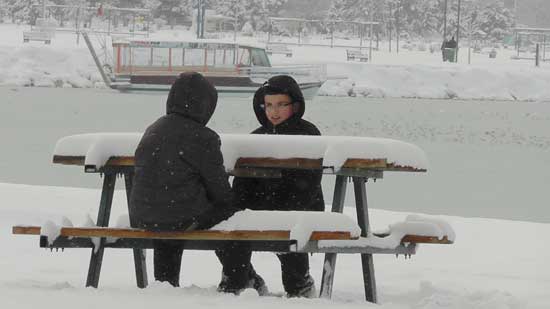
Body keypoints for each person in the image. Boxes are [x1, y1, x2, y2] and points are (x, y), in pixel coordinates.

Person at [216, 75, 325, 297]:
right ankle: (241, 278)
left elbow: (309, 184)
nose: (274, 111)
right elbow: (242, 182)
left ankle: (300, 284)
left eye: (281, 105)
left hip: (299, 207)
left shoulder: (308, 134)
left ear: (294, 105)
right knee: (226, 226)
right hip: (259, 207)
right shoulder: (256, 137)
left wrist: (279, 208)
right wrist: (239, 208)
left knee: (292, 233)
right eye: (268, 105)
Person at [129, 72, 237, 287]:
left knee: (169, 212)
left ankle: (165, 282)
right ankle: (238, 279)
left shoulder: (153, 129)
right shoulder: (205, 137)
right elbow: (221, 192)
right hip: (178, 217)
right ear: (206, 105)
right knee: (230, 215)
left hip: (142, 216)